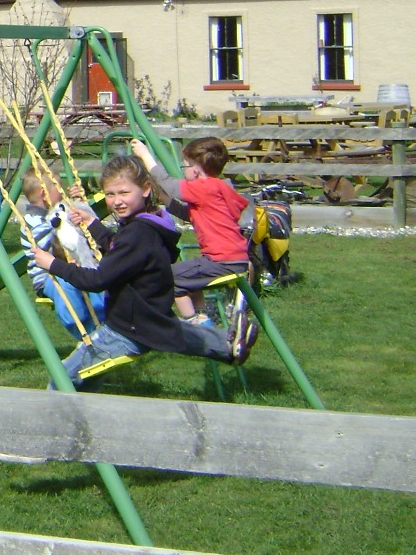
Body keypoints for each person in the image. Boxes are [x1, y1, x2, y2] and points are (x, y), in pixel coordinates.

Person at [30, 154, 257, 390]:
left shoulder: (136, 233)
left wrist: (53, 264)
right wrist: (93, 224)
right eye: (110, 194)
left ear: (146, 189)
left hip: (126, 329)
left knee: (61, 380)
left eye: (124, 193)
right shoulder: (152, 224)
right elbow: (122, 253)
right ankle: (227, 344)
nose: (117, 201)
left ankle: (54, 423)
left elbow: (97, 279)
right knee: (172, 333)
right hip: (150, 319)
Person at [131, 137, 250, 321]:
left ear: (195, 170)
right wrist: (162, 196)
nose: (183, 170)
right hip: (232, 259)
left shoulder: (204, 187)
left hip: (221, 261)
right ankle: (203, 316)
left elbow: (169, 183)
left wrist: (145, 155)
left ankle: (192, 322)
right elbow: (188, 214)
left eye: (184, 166)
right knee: (186, 275)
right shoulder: (217, 188)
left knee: (167, 277)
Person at [20, 170, 106, 339]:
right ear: (44, 194)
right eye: (58, 189)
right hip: (48, 277)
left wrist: (78, 205)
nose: (62, 192)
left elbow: (75, 237)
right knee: (67, 289)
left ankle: (105, 325)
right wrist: (67, 214)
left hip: (71, 268)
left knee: (96, 278)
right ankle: (84, 332)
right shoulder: (31, 222)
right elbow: (53, 243)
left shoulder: (56, 213)